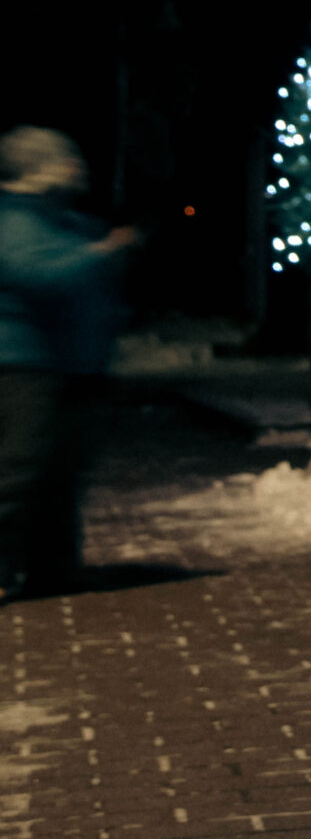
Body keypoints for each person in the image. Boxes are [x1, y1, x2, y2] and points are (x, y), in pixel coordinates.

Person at [0, 127, 137, 601]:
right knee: (22, 469)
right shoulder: (16, 220)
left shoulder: (56, 219)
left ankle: (53, 568)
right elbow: (38, 272)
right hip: (22, 363)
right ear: (38, 168)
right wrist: (102, 253)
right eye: (65, 161)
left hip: (66, 365)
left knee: (59, 472)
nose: (76, 170)